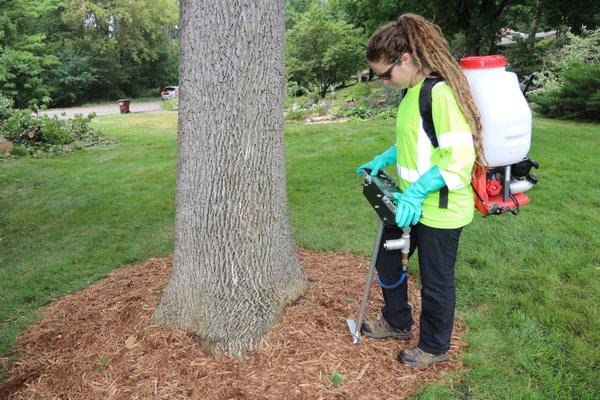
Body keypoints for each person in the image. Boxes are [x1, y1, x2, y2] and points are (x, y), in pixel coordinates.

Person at [355, 13, 485, 368]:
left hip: (440, 209)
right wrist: (383, 159)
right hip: (411, 204)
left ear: (407, 60)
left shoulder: (439, 94)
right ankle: (397, 322)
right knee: (387, 257)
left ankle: (434, 346)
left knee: (436, 281)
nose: (383, 81)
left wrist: (416, 194)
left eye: (385, 73)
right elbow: (414, 144)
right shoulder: (411, 93)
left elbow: (458, 157)